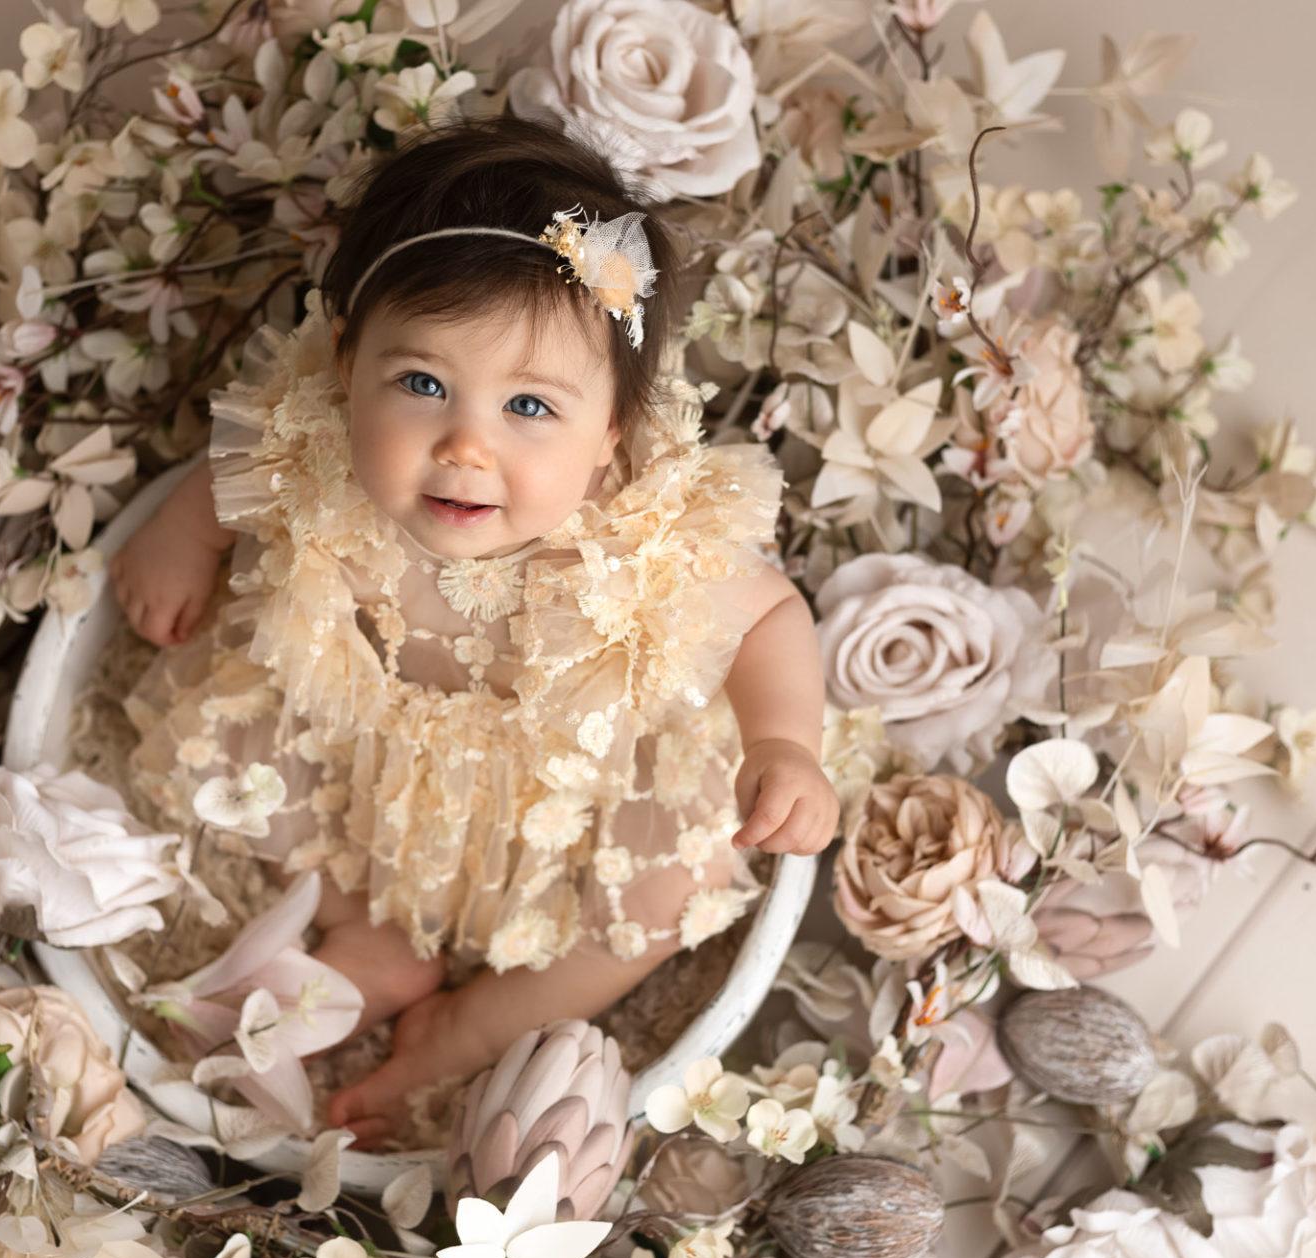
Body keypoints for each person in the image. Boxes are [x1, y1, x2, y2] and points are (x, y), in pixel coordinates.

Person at [110, 115, 839, 1149]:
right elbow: (244, 466)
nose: (465, 443)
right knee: (252, 767)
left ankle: (477, 1019)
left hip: (576, 792)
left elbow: (771, 612)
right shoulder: (317, 447)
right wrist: (186, 534)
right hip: (372, 752)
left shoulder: (643, 533)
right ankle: (370, 939)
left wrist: (782, 742)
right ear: (346, 366)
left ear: (610, 440)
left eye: (531, 405)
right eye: (422, 384)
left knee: (665, 892)